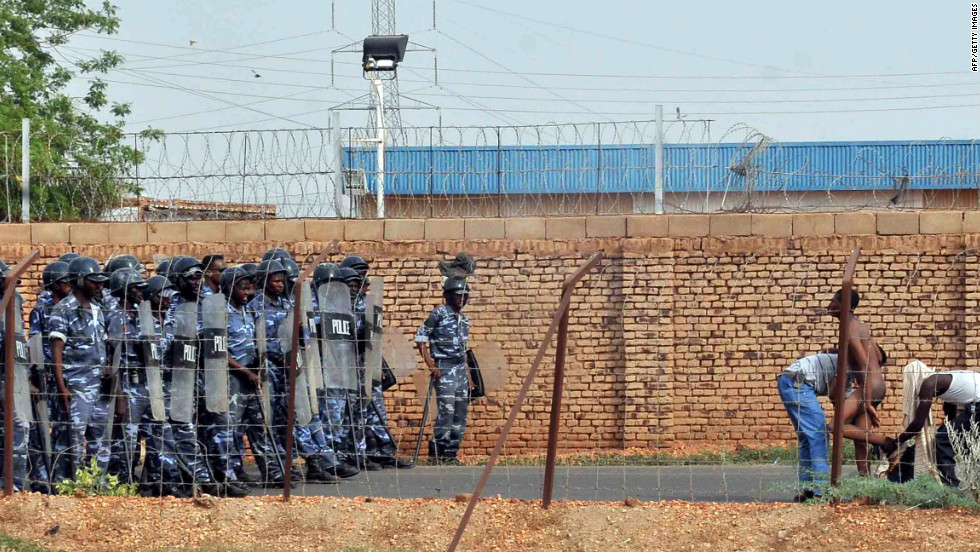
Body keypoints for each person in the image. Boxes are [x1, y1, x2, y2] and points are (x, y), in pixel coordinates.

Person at [248, 259, 341, 483]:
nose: (280, 284)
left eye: (282, 281)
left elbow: (304, 337)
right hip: (268, 366)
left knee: (295, 415)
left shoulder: (288, 303)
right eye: (275, 280)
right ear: (264, 281)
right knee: (272, 419)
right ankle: (282, 467)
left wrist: (301, 332)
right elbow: (251, 339)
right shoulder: (255, 305)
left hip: (291, 365)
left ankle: (311, 463)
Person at [167, 256, 249, 497]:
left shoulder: (211, 303)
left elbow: (219, 338)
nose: (197, 281)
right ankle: (203, 480)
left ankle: (224, 476)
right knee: (187, 431)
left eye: (199, 276)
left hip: (209, 375)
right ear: (178, 279)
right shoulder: (171, 304)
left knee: (219, 426)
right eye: (191, 277)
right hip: (181, 378)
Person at [221, 266, 291, 487]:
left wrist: (259, 370)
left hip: (253, 377)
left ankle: (271, 472)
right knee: (231, 428)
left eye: (250, 288)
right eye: (243, 288)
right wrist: (246, 372)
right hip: (233, 379)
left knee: (260, 424)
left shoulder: (247, 311)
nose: (248, 293)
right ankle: (230, 474)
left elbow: (257, 342)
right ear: (230, 289)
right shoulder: (220, 313)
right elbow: (219, 351)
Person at [49, 257, 111, 483]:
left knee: (100, 438)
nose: (100, 286)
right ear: (80, 280)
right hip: (76, 385)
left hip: (99, 386)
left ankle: (98, 485)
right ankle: (74, 486)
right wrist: (62, 387)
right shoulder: (63, 310)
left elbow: (103, 345)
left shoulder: (98, 310)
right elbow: (57, 350)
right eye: (95, 282)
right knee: (74, 438)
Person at [881, 370, 980, 487]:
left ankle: (951, 490)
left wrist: (897, 442)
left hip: (977, 405)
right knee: (940, 439)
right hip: (975, 403)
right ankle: (899, 483)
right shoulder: (944, 380)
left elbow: (918, 424)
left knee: (942, 441)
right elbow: (950, 411)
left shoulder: (928, 384)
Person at [828, 288, 887, 476]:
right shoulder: (861, 326)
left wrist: (867, 401)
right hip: (877, 384)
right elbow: (879, 357)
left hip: (869, 386)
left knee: (834, 426)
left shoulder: (848, 326)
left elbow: (864, 364)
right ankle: (865, 484)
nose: (829, 305)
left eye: (834, 301)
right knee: (861, 439)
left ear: (844, 304)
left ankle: (889, 444)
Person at [27, 261, 73, 492]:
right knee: (43, 431)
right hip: (44, 378)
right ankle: (43, 482)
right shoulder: (42, 309)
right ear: (55, 284)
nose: (71, 285)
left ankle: (61, 479)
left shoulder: (70, 307)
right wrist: (33, 378)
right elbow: (34, 344)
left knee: (64, 430)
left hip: (63, 377)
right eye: (66, 281)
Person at [415, 276, 472, 464]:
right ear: (447, 296)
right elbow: (421, 338)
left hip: (460, 369)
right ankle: (437, 452)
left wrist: (469, 377)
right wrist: (432, 365)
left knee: (460, 412)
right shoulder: (439, 313)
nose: (461, 299)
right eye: (457, 296)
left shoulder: (464, 320)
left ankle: (451, 452)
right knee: (446, 411)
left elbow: (464, 350)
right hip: (444, 367)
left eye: (464, 296)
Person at [777, 353, 842, 501]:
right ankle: (820, 492)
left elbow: (840, 395)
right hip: (799, 385)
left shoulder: (842, 362)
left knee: (807, 438)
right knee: (819, 436)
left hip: (787, 381)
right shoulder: (848, 363)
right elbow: (834, 393)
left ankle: (804, 489)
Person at [0, 261, 30, 491]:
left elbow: (19, 341)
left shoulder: (14, 299)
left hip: (14, 379)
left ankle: (13, 487)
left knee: (18, 428)